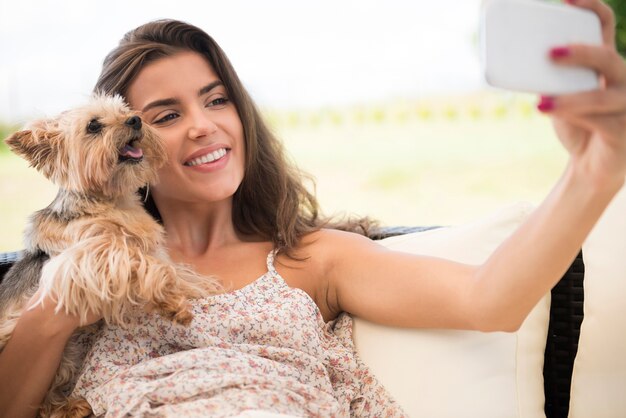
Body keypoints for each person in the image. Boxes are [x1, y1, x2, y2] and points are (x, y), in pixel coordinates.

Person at [1, 0, 625, 416]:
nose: (203, 127)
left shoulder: (309, 258)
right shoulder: (88, 266)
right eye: (166, 115)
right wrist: (61, 302)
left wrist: (594, 169)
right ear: (126, 142)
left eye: (216, 100)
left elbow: (492, 300)